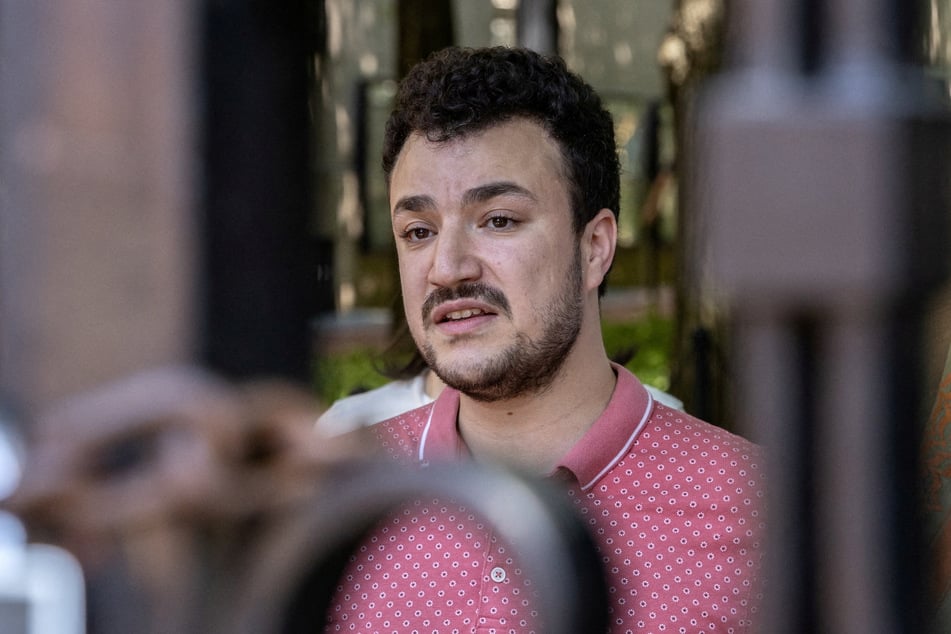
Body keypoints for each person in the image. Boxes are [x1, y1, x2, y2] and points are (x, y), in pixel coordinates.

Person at [324, 46, 765, 633]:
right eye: (419, 231)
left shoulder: (757, 510)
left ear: (595, 247)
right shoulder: (338, 505)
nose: (447, 267)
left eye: (498, 219)